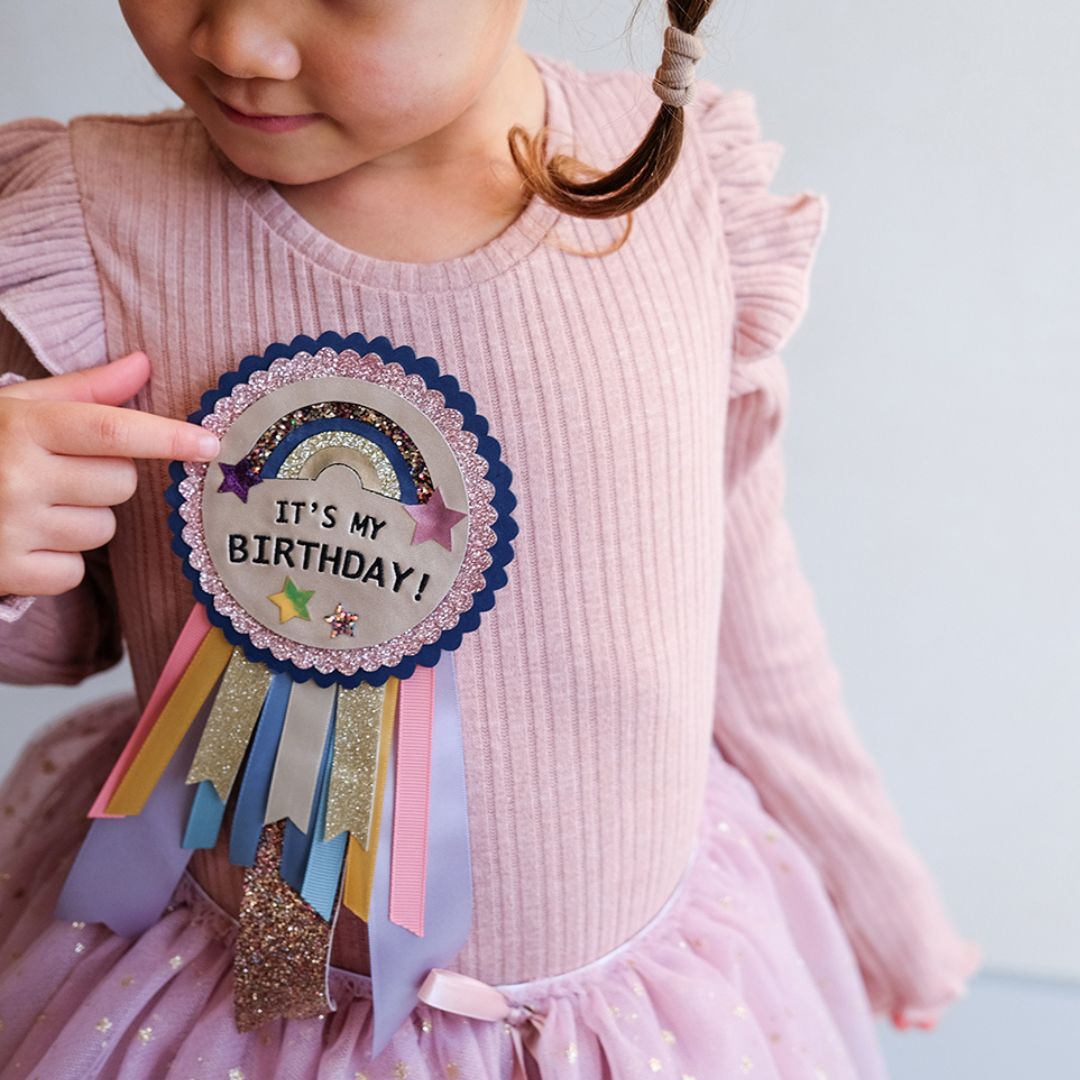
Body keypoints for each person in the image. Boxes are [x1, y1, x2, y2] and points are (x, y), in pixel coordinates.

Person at [0, 1, 981, 1076]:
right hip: (254, 1001)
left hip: (629, 1011)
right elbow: (60, 643)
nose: (239, 43)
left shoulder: (685, 199)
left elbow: (747, 611)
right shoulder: (87, 229)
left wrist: (879, 893)